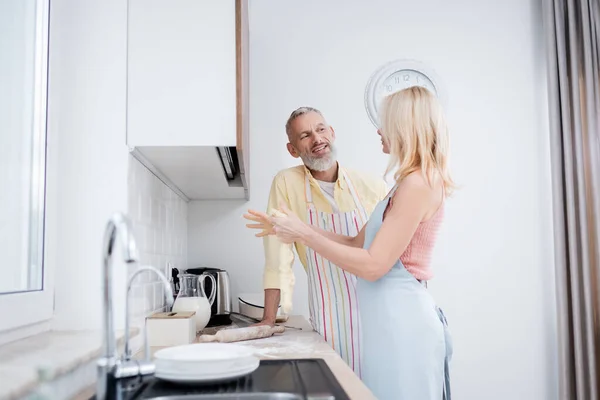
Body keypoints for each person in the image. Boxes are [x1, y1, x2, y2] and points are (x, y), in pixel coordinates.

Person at [245, 87, 454, 400]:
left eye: (384, 122)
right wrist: (296, 227)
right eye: (305, 135)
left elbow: (372, 265)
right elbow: (358, 242)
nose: (379, 130)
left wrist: (303, 234)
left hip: (404, 325)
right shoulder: (403, 184)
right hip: (385, 323)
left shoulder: (418, 184)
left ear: (403, 127)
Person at [251, 106, 389, 377]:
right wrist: (268, 319)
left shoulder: (372, 186)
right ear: (293, 149)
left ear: (332, 133)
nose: (316, 139)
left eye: (321, 129)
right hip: (330, 316)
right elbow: (277, 256)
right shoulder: (286, 183)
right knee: (337, 385)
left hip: (378, 311)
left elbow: (388, 252)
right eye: (305, 135)